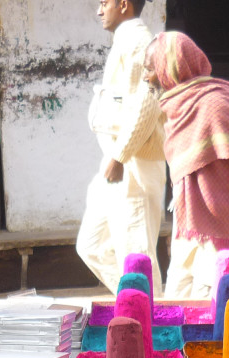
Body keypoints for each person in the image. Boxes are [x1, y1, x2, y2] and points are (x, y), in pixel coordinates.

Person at [144, 31, 229, 299]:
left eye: (150, 69)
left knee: (214, 310)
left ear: (170, 67)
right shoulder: (178, 104)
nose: (146, 77)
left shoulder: (216, 101)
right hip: (190, 223)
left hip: (222, 228)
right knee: (176, 305)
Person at [76, 0, 167, 295]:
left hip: (132, 164)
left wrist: (119, 156)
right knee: (90, 245)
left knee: (137, 254)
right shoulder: (125, 41)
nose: (99, 11)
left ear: (124, 4)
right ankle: (137, 302)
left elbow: (147, 103)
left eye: (104, 3)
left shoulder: (140, 42)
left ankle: (150, 319)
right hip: (115, 160)